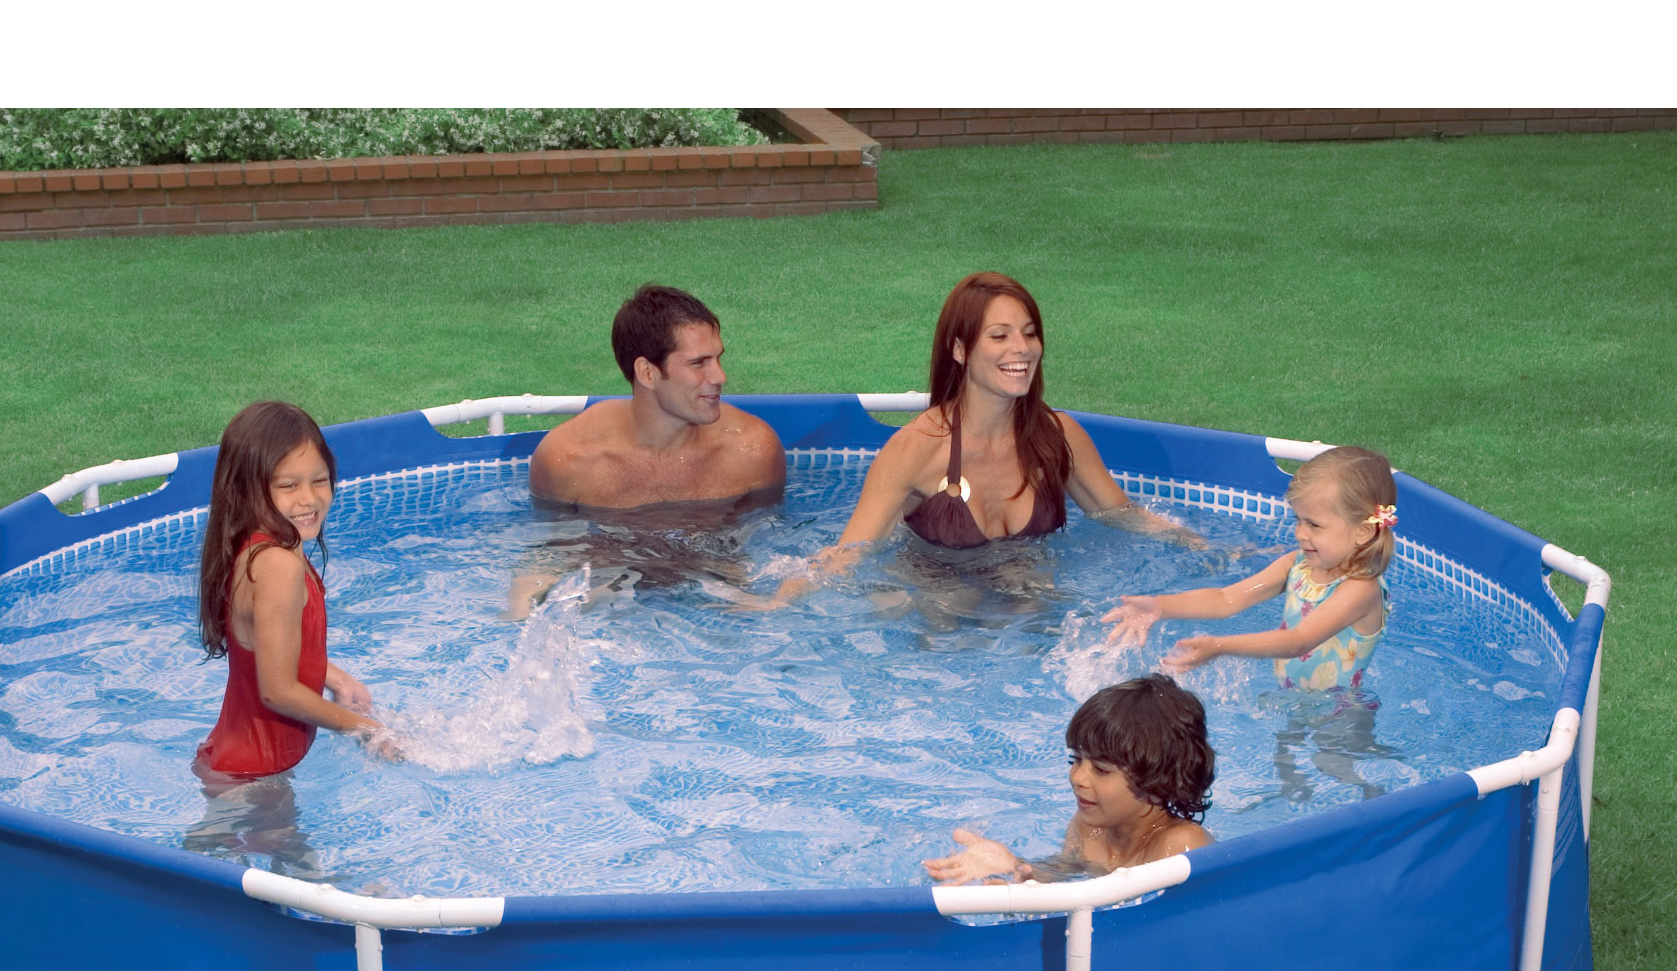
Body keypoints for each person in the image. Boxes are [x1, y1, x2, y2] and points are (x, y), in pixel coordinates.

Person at [738, 271, 1202, 613]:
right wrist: (778, 601)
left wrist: (1199, 544)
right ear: (960, 350)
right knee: (948, 605)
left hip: (1021, 570)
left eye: (1029, 334)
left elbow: (1119, 513)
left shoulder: (1057, 436)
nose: (1021, 349)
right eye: (999, 336)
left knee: (1036, 605)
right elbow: (847, 555)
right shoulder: (917, 449)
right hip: (929, 577)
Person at [508, 286, 786, 617]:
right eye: (698, 363)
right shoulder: (569, 460)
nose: (720, 376)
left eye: (718, 358)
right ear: (648, 373)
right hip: (606, 582)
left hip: (715, 582)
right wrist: (519, 615)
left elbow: (767, 540)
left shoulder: (750, 451)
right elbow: (550, 551)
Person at [194, 400, 397, 781]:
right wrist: (367, 729)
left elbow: (275, 649)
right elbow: (278, 690)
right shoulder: (277, 565)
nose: (309, 498)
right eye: (288, 486)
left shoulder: (264, 547)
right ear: (247, 490)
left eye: (319, 480)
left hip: (239, 764)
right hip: (251, 778)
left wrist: (338, 680)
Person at [1102, 445, 1397, 691]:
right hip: (1288, 695)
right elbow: (1225, 599)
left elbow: (1299, 641)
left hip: (1340, 713)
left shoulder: (1360, 590)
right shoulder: (1297, 565)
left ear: (1362, 531)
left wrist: (1220, 646)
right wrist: (1160, 606)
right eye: (1298, 520)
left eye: (1314, 525)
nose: (1300, 533)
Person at [923, 674, 1214, 883]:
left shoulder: (1180, 845)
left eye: (1101, 769)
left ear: (1159, 780)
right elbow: (1063, 873)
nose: (1078, 778)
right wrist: (1014, 869)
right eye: (1075, 760)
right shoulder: (1088, 829)